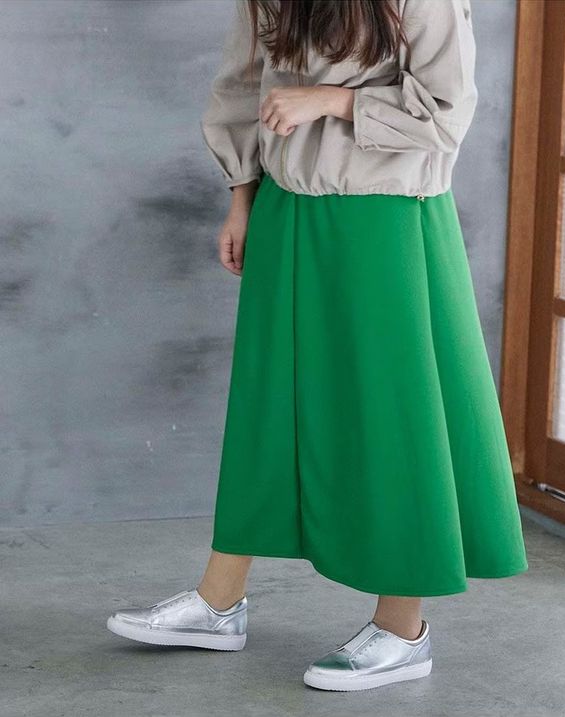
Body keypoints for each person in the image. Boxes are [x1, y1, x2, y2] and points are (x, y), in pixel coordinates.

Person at [106, 0, 528, 692]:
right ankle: (218, 602)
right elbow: (242, 84)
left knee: (394, 420)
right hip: (286, 207)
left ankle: (402, 629)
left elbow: (446, 110)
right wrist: (242, 199)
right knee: (267, 410)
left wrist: (333, 100)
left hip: (387, 217)